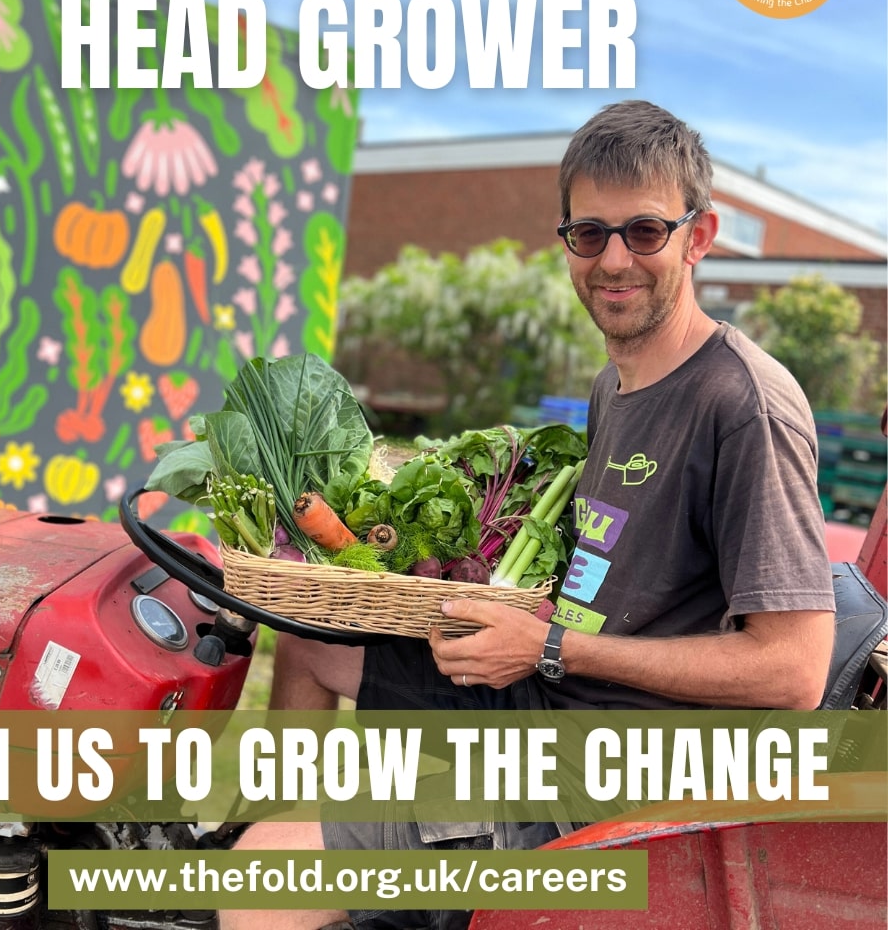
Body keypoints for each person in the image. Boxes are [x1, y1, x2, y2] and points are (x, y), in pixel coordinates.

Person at [221, 100, 837, 930]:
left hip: (602, 792)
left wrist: (551, 645)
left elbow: (794, 673)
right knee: (310, 640)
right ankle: (309, 826)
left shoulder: (743, 403)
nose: (615, 259)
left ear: (699, 235)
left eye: (645, 231)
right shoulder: (614, 385)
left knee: (254, 888)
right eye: (590, 234)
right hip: (545, 700)